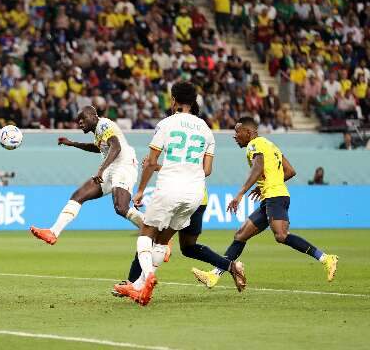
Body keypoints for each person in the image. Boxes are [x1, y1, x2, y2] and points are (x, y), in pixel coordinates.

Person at [115, 82, 245, 306]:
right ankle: (138, 286)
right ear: (194, 102)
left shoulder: (166, 124)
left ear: (173, 100)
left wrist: (140, 191)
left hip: (170, 188)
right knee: (163, 240)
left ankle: (145, 280)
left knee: (146, 234)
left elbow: (151, 162)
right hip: (194, 194)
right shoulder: (206, 129)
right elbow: (207, 170)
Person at [192, 117, 338, 288]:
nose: (235, 136)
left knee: (281, 235)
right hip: (270, 197)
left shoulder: (255, 145)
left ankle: (326, 258)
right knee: (241, 235)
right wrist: (265, 185)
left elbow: (258, 166)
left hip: (275, 197)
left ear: (248, 132)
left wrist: (240, 193)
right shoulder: (270, 145)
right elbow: (290, 171)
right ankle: (214, 275)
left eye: (237, 132)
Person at [29, 105, 144, 245]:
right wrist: (72, 144)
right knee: (78, 196)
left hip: (124, 164)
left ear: (94, 116)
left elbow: (116, 146)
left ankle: (155, 233)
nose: (80, 122)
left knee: (121, 207)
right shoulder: (97, 131)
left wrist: (101, 169)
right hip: (112, 166)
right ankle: (53, 232)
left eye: (83, 118)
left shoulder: (104, 125)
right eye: (78, 120)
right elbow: (98, 147)